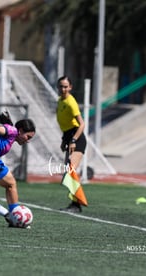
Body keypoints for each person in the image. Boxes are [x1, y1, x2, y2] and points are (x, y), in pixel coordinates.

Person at [56, 76, 87, 213]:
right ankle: (74, 203)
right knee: (68, 172)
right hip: (68, 137)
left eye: (65, 86)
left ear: (70, 87)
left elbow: (82, 124)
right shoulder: (60, 101)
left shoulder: (70, 102)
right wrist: (65, 140)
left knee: (71, 169)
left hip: (77, 138)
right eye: (61, 86)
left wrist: (73, 140)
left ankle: (77, 204)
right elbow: (65, 125)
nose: (63, 89)